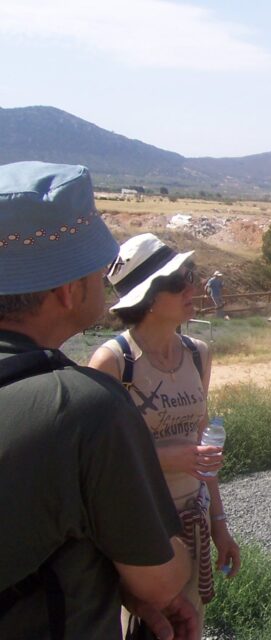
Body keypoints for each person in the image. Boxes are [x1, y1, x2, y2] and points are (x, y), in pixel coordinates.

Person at [0, 161, 197, 639]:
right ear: (68, 291)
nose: (104, 279)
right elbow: (160, 580)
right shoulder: (82, 406)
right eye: (94, 268)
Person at [89, 234, 241, 631]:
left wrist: (220, 525)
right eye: (178, 282)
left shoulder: (197, 353)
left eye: (189, 276)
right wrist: (168, 458)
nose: (192, 288)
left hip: (194, 522)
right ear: (149, 298)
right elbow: (94, 466)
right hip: (140, 532)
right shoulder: (112, 362)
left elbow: (204, 445)